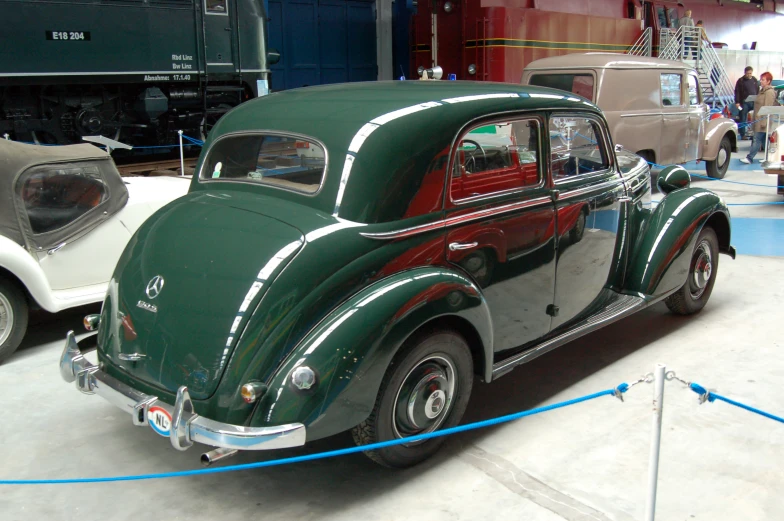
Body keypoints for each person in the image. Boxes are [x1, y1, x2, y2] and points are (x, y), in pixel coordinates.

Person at [740, 71, 776, 164]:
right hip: (758, 120)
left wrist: (764, 123)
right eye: (761, 79)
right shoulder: (762, 91)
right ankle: (769, 158)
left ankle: (749, 158)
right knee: (763, 141)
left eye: (763, 80)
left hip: (762, 121)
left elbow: (767, 107)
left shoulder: (769, 92)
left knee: (756, 139)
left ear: (768, 81)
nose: (761, 81)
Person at [735, 67, 759, 139]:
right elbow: (737, 92)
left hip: (753, 101)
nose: (749, 75)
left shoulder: (754, 79)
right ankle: (743, 134)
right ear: (745, 73)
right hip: (744, 102)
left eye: (750, 73)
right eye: (747, 73)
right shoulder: (741, 81)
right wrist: (737, 102)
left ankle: (754, 133)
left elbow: (757, 89)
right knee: (743, 117)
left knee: (755, 117)